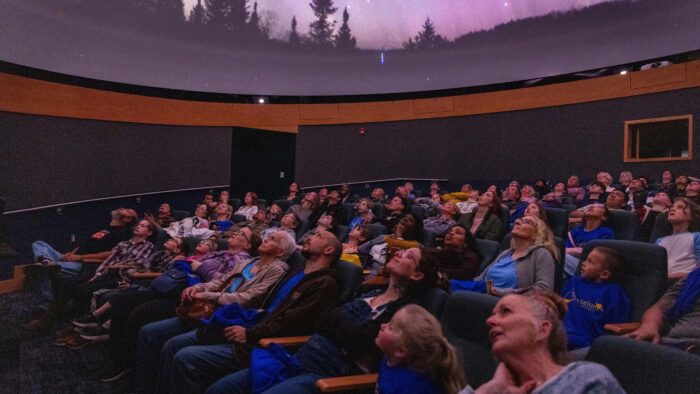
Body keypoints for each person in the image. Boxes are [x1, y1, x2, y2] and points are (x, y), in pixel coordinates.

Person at [204, 246, 441, 394]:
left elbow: (364, 341)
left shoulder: (404, 311)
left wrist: (337, 324)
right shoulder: (367, 293)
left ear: (417, 274)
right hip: (299, 359)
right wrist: (342, 327)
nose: (399, 252)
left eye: (408, 255)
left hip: (329, 376)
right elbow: (322, 320)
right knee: (219, 389)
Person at [161, 230, 343, 394]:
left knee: (186, 358)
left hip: (266, 344)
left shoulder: (325, 284)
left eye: (319, 236)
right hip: (250, 325)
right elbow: (260, 303)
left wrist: (250, 333)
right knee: (174, 344)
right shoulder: (297, 271)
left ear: (328, 250)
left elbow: (291, 322)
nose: (309, 236)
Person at [133, 231, 296, 390]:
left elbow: (249, 297)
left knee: (173, 346)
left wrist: (208, 295)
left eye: (273, 239)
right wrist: (198, 287)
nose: (266, 238)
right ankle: (144, 386)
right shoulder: (249, 262)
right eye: (268, 236)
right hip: (207, 309)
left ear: (281, 251)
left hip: (225, 317)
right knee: (148, 332)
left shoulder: (277, 269)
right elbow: (220, 281)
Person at [92, 230, 261, 382]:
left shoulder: (241, 260)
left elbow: (224, 282)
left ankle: (126, 364)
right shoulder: (221, 252)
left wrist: (200, 268)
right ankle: (116, 357)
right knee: (123, 300)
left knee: (139, 314)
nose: (236, 233)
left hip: (189, 298)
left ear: (247, 245)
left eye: (241, 234)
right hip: (178, 286)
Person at [460, 291, 624, 393]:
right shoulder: (497, 390)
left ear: (542, 329)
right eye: (493, 314)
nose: (489, 320)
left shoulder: (586, 379)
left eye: (506, 311)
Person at [24, 218, 153, 331]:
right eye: (138, 224)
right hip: (103, 272)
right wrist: (97, 273)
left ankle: (73, 326)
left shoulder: (147, 246)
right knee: (68, 282)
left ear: (149, 233)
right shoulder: (123, 244)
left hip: (119, 275)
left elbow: (139, 263)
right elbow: (108, 261)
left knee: (83, 288)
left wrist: (115, 266)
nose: (138, 226)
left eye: (142, 226)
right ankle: (45, 321)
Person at [450, 216, 557, 296]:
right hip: (482, 295)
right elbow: (481, 278)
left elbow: (544, 290)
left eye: (527, 222)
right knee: (447, 287)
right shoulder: (506, 253)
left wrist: (502, 293)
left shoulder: (541, 254)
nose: (517, 221)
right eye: (518, 220)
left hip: (507, 305)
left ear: (537, 234)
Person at [375, 304, 465, 394]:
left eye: (390, 327)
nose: (383, 325)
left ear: (401, 351)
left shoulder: (410, 386)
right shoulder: (389, 359)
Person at [562, 247, 631, 350]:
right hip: (559, 333)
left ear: (604, 274)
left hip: (585, 342)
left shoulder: (613, 292)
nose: (583, 263)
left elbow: (617, 324)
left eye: (590, 262)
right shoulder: (574, 281)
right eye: (585, 259)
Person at [626, 264, 700, 351]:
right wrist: (649, 326)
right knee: (611, 350)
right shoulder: (694, 278)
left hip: (694, 352)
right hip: (670, 345)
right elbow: (660, 308)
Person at [654, 198, 700, 280]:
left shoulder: (696, 237)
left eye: (680, 207)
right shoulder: (659, 241)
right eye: (672, 207)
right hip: (659, 283)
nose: (673, 208)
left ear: (691, 216)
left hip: (684, 283)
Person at [564, 204, 614, 277]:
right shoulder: (576, 230)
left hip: (591, 266)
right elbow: (566, 249)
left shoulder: (606, 232)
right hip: (572, 261)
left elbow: (600, 256)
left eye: (599, 206)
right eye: (591, 205)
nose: (592, 206)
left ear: (604, 217)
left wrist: (578, 250)